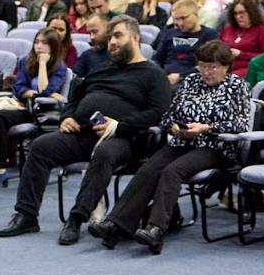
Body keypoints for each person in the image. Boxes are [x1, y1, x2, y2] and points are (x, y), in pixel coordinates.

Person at [0, 16, 173, 242]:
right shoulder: (101, 69)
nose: (112, 42)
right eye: (110, 37)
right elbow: (74, 97)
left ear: (135, 38)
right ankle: (26, 215)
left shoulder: (153, 74)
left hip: (126, 138)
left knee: (104, 153)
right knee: (40, 146)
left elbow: (158, 112)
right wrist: (67, 117)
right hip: (83, 133)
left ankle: (76, 218)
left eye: (118, 36)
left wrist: (118, 125)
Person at [92, 40, 252, 254]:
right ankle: (116, 224)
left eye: (212, 67)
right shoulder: (191, 82)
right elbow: (168, 116)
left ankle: (156, 228)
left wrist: (207, 128)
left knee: (173, 170)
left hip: (216, 146)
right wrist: (174, 127)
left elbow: (241, 124)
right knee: (149, 168)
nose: (206, 72)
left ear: (226, 66)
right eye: (202, 66)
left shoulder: (237, 86)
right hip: (183, 141)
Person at [0, 29, 70, 176]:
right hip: (24, 106)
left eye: (44, 43)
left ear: (53, 46)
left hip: (43, 113)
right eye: (36, 42)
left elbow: (44, 90)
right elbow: (19, 87)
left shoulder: (60, 68)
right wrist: (32, 93)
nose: (39, 46)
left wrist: (42, 64)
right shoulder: (26, 61)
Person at [153, 0, 218, 86]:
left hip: (193, 80)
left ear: (195, 14)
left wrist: (181, 76)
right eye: (176, 19)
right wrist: (160, 75)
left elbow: (209, 64)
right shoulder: (169, 33)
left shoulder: (209, 35)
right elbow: (157, 59)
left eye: (183, 18)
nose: (180, 23)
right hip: (164, 78)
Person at [218, 0, 264, 78]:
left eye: (242, 13)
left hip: (248, 68)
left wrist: (241, 54)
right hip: (224, 65)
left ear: (251, 12)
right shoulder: (228, 29)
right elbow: (218, 46)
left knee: (232, 77)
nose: (238, 16)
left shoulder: (262, 31)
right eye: (235, 14)